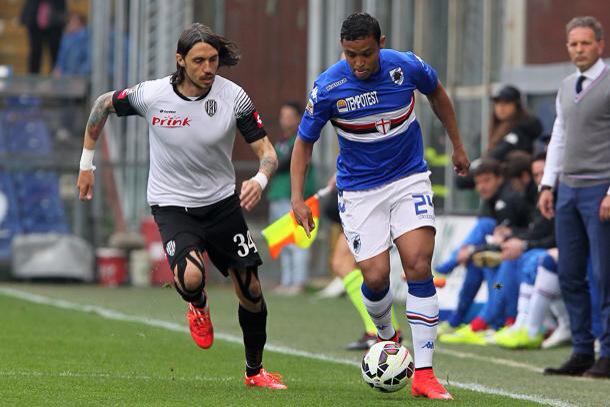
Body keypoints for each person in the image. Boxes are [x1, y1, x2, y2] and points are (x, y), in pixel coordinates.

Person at [76, 23, 286, 389]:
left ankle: (255, 372)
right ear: (180, 60)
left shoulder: (233, 96)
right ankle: (198, 304)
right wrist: (86, 165)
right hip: (172, 204)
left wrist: (260, 179)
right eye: (199, 60)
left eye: (214, 60)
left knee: (251, 291)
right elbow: (102, 105)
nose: (208, 68)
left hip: (222, 205)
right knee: (190, 278)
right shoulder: (152, 95)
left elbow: (267, 152)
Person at [291, 12, 470, 399]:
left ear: (381, 44)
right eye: (351, 55)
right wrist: (296, 197)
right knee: (374, 277)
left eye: (366, 54)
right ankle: (388, 338)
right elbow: (304, 142)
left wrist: (457, 145)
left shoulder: (405, 66)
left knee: (418, 264)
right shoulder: (327, 87)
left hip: (409, 178)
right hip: (359, 191)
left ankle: (424, 374)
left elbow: (437, 93)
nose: (359, 62)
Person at [539, 16, 610, 378]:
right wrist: (548, 185)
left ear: (600, 44)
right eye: (573, 44)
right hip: (568, 189)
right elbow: (560, 136)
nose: (578, 50)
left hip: (600, 189)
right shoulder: (566, 86)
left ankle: (608, 352)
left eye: (585, 43)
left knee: (604, 274)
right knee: (569, 273)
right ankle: (582, 350)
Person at [322, 174, 402, 350]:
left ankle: (380, 331)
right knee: (342, 263)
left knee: (357, 266)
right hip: (361, 189)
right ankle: (385, 329)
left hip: (372, 191)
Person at [266, 102, 315, 295]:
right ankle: (286, 282)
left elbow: (282, 164)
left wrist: (271, 164)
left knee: (297, 242)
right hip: (277, 197)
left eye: (289, 115)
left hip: (292, 199)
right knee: (283, 242)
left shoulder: (300, 142)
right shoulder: (281, 143)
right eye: (282, 115)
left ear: (298, 118)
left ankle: (299, 282)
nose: (285, 119)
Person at [456, 85, 542, 189]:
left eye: (506, 103)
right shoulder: (495, 130)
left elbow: (496, 156)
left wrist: (472, 169)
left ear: (517, 106)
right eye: (497, 103)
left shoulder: (522, 130)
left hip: (515, 189)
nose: (501, 107)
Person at [20, 0, 66, 74]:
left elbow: (62, 14)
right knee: (35, 53)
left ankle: (55, 76)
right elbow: (28, 11)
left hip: (54, 28)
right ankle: (33, 77)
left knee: (55, 53)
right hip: (35, 28)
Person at [53, 12, 90, 77]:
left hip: (79, 77)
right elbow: (61, 60)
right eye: (69, 22)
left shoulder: (86, 38)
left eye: (73, 21)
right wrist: (58, 69)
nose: (69, 24)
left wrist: (79, 75)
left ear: (80, 23)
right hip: (66, 76)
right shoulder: (66, 38)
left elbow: (89, 63)